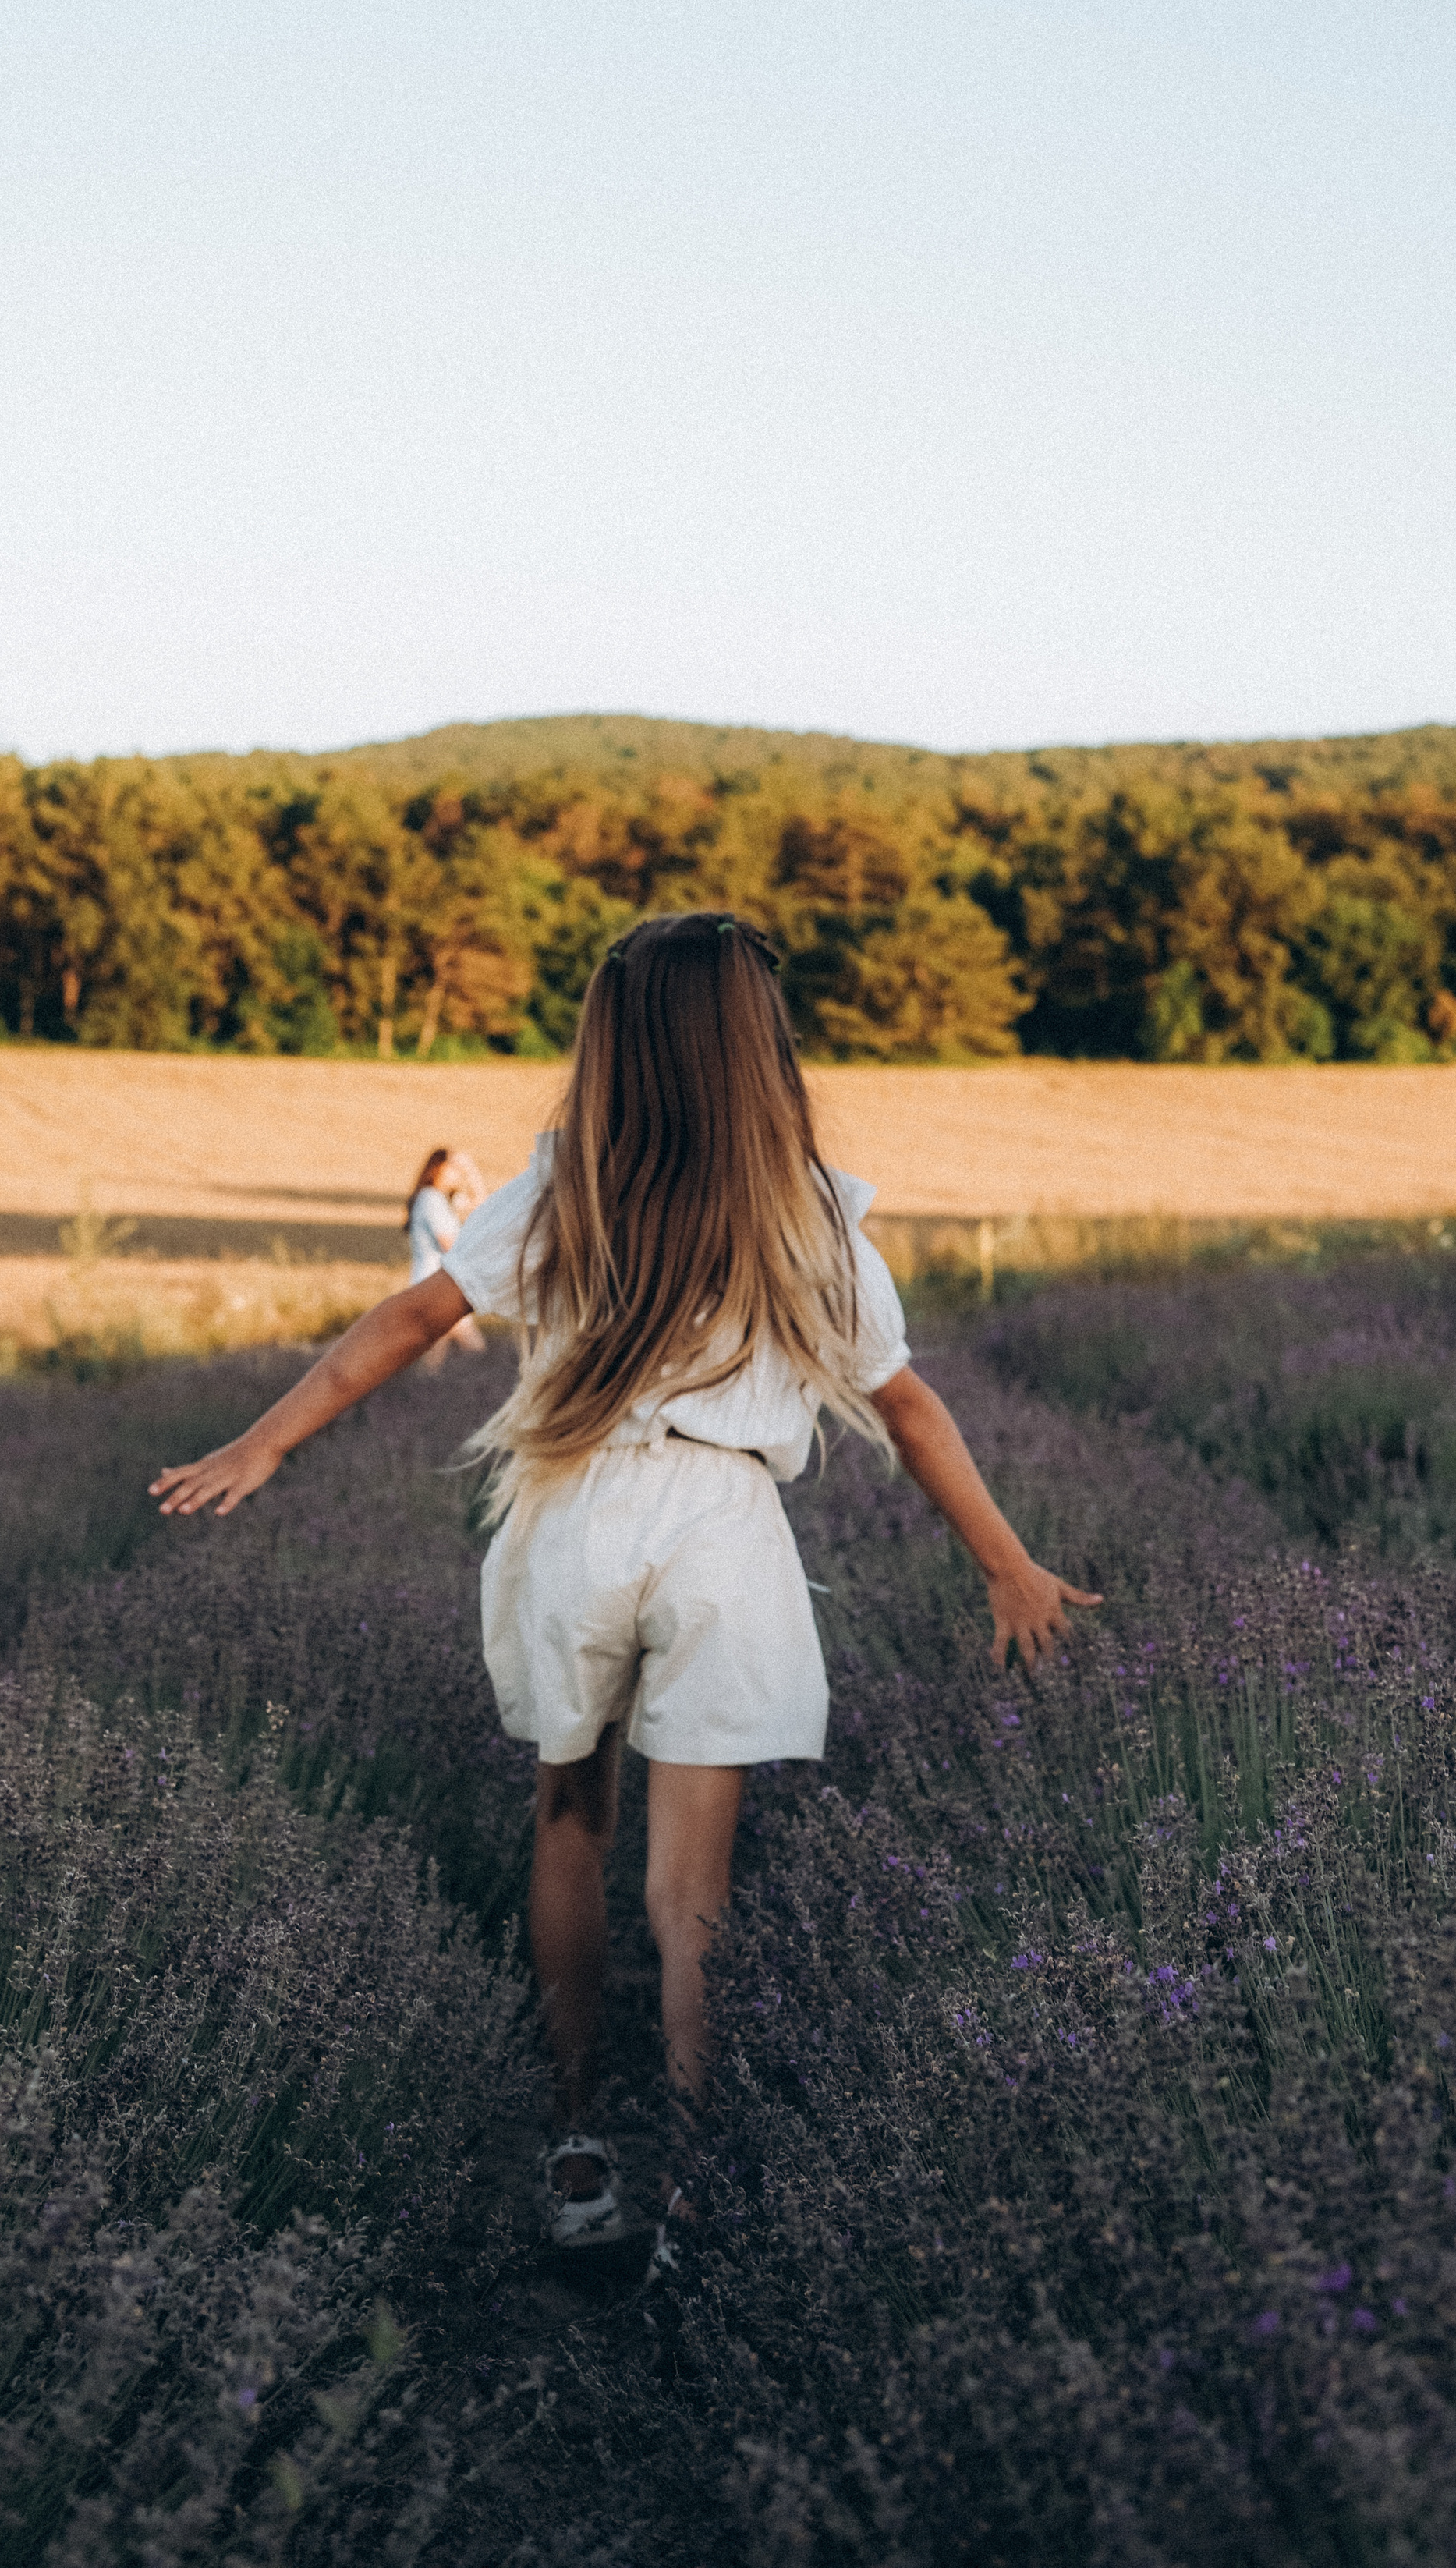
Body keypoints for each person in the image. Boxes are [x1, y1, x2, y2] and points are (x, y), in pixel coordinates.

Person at [150, 914, 1098, 2265]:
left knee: (570, 1823)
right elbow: (907, 1404)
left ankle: (579, 2137)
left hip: (577, 1516)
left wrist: (264, 1442)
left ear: (616, 1043)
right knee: (692, 1890)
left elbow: (416, 1320)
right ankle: (697, 2189)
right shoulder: (814, 1218)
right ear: (761, 1053)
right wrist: (1008, 1568)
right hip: (724, 1536)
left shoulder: (563, 1190)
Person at [406, 1147, 485, 1362]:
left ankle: (425, 1389)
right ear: (439, 1168)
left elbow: (482, 1205)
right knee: (475, 1349)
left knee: (434, 1355)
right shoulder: (432, 1200)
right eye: (454, 1168)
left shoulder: (439, 1200)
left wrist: (470, 1169)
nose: (457, 1174)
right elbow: (449, 1246)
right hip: (437, 1283)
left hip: (434, 1283)